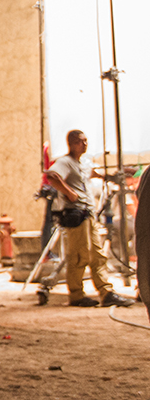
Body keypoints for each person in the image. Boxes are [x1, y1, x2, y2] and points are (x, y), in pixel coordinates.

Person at [38, 129, 134, 307]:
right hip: (76, 215)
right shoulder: (65, 162)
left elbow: (94, 174)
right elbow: (51, 176)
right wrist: (69, 193)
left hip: (89, 215)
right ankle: (76, 295)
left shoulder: (83, 163)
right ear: (72, 143)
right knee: (78, 256)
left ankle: (106, 292)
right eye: (81, 141)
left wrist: (113, 176)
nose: (85, 144)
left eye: (86, 141)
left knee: (97, 256)